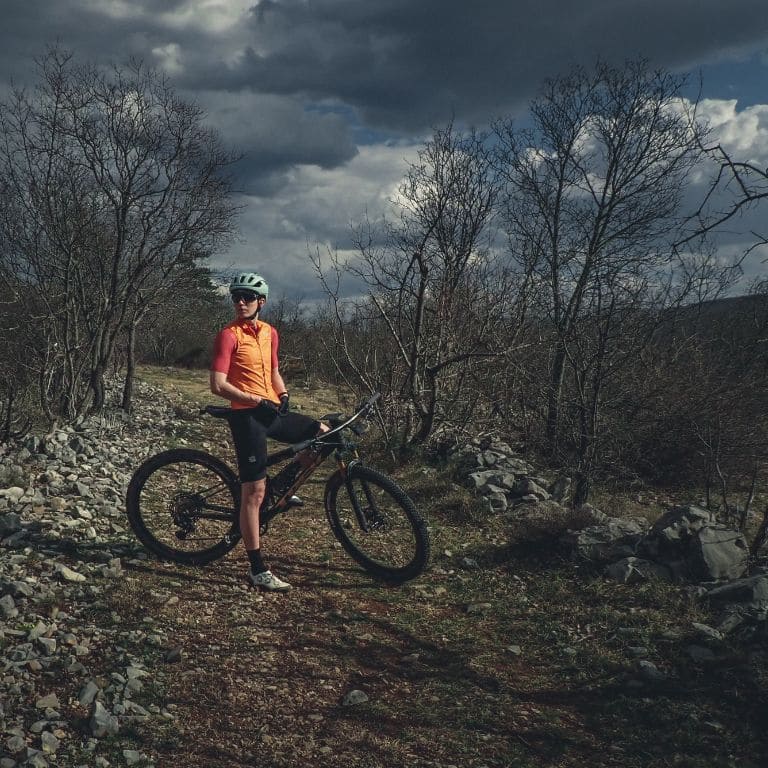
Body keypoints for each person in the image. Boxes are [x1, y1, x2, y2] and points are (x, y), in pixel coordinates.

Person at [209, 271, 325, 592]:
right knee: (253, 493)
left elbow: (273, 371)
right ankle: (258, 569)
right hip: (248, 417)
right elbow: (218, 385)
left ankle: (280, 488)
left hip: (271, 410)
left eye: (247, 297)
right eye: (236, 297)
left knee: (324, 435)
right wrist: (254, 400)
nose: (240, 302)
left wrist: (283, 394)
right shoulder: (228, 336)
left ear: (261, 301)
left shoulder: (270, 333)